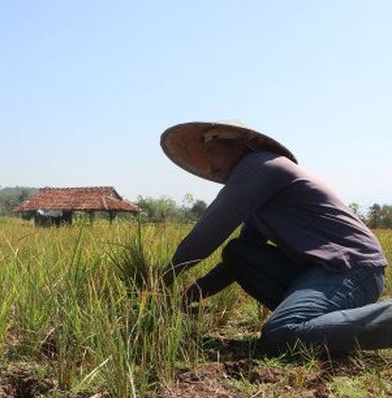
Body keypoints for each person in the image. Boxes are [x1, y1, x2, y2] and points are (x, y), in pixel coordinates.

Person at [161, 121, 391, 353]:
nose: (210, 166)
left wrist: (161, 279)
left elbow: (210, 231)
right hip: (318, 271)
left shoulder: (259, 165)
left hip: (351, 269)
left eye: (213, 152)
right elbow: (241, 258)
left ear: (239, 147)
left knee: (283, 332)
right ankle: (321, 323)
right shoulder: (259, 191)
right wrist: (193, 293)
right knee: (238, 251)